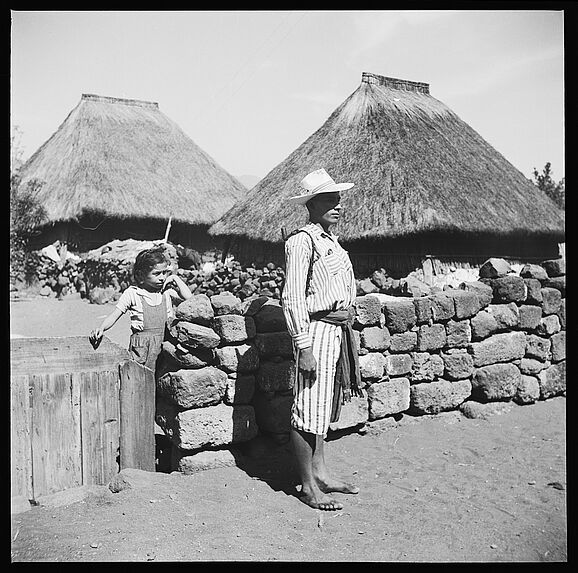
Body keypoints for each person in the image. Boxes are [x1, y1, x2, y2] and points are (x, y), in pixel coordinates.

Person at [282, 168, 363, 511]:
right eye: (328, 200)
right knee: (307, 409)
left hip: (337, 332)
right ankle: (308, 487)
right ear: (311, 204)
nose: (337, 205)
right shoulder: (302, 241)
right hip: (315, 332)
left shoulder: (331, 241)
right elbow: (293, 297)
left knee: (323, 409)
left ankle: (322, 473)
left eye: (338, 199)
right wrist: (303, 346)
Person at [89, 247, 192, 373]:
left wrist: (175, 278)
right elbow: (114, 315)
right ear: (141, 275)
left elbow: (190, 299)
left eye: (164, 273)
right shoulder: (133, 294)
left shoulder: (167, 293)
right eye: (156, 273)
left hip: (165, 349)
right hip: (141, 352)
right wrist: (101, 328)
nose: (162, 277)